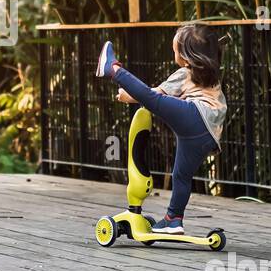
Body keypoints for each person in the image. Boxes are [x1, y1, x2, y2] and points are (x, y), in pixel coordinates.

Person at [95, 25, 226, 233]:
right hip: (208, 135)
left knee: (153, 100)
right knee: (181, 176)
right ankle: (173, 219)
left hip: (196, 119)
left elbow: (152, 96)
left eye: (174, 50)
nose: (173, 53)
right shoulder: (211, 75)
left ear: (185, 56)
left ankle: (113, 69)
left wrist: (126, 96)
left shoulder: (185, 73)